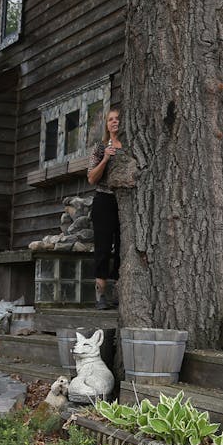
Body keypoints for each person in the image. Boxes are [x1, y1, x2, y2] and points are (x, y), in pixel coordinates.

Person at [86, 107, 123, 308]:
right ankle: (100, 295)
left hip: (124, 202)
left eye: (117, 119)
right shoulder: (99, 147)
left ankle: (119, 293)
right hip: (103, 201)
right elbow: (91, 178)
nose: (114, 122)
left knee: (122, 247)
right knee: (102, 247)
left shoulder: (128, 146)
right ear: (107, 124)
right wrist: (107, 158)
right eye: (111, 119)